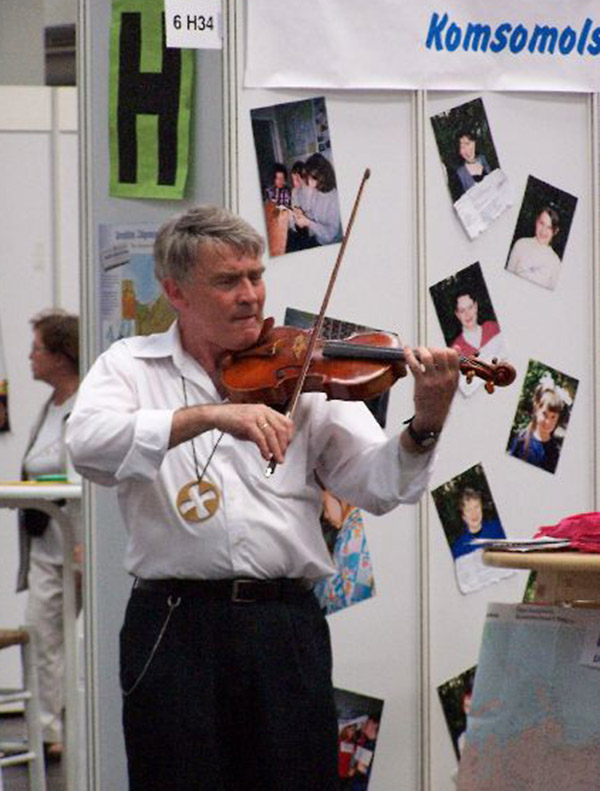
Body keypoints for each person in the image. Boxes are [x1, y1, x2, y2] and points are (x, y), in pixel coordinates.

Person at [66, 204, 459, 791]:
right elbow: (88, 446)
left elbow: (380, 485)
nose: (250, 295)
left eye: (256, 276)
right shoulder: (129, 366)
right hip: (173, 625)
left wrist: (425, 421)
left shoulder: (300, 370)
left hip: (283, 626)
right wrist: (209, 416)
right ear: (176, 292)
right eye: (228, 281)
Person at [17, 310, 80, 762]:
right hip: (44, 544)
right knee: (40, 633)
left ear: (61, 355)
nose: (30, 357)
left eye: (37, 349)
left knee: (68, 637)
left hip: (75, 543)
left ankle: (67, 724)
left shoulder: (87, 403)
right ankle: (47, 731)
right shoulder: (50, 405)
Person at [450, 487, 512, 595]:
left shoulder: (498, 528)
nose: (474, 514)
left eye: (477, 507)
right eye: (469, 510)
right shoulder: (458, 547)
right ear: (463, 516)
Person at [289, 152, 343, 248]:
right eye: (307, 179)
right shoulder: (317, 191)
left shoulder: (335, 197)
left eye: (312, 179)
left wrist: (308, 222)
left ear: (322, 177)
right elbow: (314, 215)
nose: (309, 184)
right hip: (318, 239)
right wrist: (302, 214)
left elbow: (330, 235)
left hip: (331, 244)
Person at [508, 381, 564, 473]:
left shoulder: (555, 452)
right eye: (545, 414)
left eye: (553, 417)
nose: (548, 421)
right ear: (537, 410)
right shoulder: (521, 440)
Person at [505, 206, 562, 290]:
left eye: (549, 228)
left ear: (555, 231)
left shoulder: (556, 263)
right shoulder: (521, 244)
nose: (543, 231)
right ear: (536, 221)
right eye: (541, 223)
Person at [451, 289, 501, 358]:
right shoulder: (456, 349)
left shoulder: (493, 328)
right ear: (457, 315)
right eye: (462, 311)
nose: (467, 314)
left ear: (475, 307)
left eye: (470, 307)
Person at [454, 130, 491, 198]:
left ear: (474, 143)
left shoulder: (484, 159)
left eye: (468, 143)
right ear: (459, 151)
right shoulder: (459, 174)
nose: (467, 150)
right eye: (462, 147)